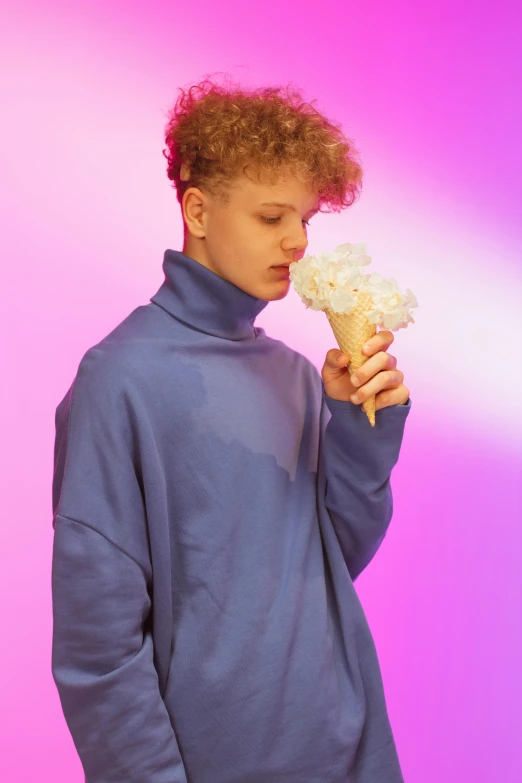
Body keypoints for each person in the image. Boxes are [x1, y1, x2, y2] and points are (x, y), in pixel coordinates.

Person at [51, 74, 411, 783]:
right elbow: (98, 651)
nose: (298, 241)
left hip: (350, 744)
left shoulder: (296, 373)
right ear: (198, 209)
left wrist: (364, 429)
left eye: (306, 219)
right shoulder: (118, 380)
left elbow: (333, 561)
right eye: (272, 216)